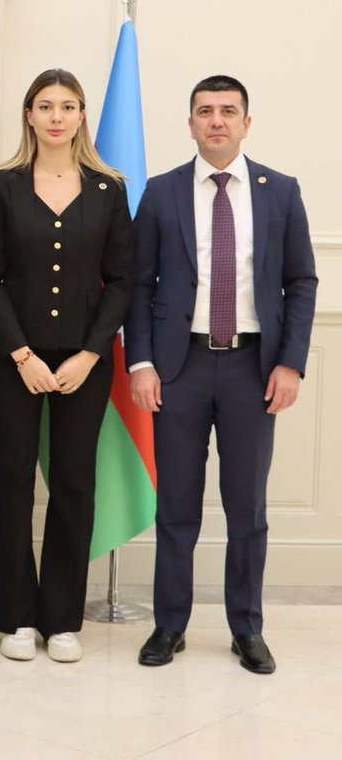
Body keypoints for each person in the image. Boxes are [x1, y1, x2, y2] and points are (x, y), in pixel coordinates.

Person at [127, 76, 316, 675]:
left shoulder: (280, 191)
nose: (216, 121)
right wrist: (141, 362)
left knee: (247, 509)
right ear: (190, 124)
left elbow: (301, 281)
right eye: (205, 111)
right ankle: (169, 625)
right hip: (177, 369)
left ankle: (247, 629)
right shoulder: (161, 192)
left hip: (252, 369)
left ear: (246, 123)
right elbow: (139, 283)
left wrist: (291, 362)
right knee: (177, 507)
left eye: (228, 111)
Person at [0, 69, 133, 663]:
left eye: (67, 106)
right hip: (14, 358)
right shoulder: (3, 186)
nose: (56, 116)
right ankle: (16, 618)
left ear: (82, 115)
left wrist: (91, 353)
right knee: (13, 478)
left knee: (74, 482)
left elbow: (123, 279)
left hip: (86, 361)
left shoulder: (109, 189)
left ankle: (62, 619)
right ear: (30, 115)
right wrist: (21, 354)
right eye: (45, 106)